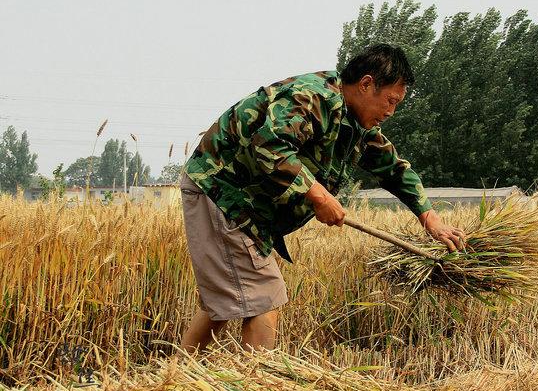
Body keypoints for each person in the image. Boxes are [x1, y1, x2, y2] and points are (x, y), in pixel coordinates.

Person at [178, 44, 466, 352]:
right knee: (265, 295)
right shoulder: (310, 98)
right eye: (390, 101)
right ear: (366, 84)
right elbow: (271, 146)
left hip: (248, 206)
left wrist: (429, 218)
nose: (391, 112)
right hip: (221, 189)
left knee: (228, 297)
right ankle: (256, 389)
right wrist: (319, 196)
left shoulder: (357, 125)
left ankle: (177, 375)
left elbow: (394, 169)